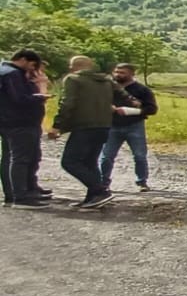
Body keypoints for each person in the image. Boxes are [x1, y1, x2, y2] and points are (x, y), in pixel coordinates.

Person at [48, 55, 116, 208]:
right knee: (90, 162)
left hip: (84, 126)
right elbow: (121, 96)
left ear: (74, 66)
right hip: (103, 126)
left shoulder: (73, 79)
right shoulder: (106, 80)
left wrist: (57, 125)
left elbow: (67, 103)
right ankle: (93, 198)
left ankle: (100, 190)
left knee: (70, 162)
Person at [1, 48, 51, 207]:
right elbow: (20, 99)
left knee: (11, 158)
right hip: (20, 121)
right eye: (32, 65)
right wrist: (40, 94)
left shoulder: (4, 71)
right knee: (20, 159)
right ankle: (20, 196)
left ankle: (16, 193)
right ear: (22, 59)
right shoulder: (13, 74)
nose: (33, 69)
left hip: (7, 121)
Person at [100, 62, 158, 190]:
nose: (118, 75)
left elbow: (152, 109)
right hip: (112, 125)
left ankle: (142, 181)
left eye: (122, 73)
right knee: (106, 156)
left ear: (131, 74)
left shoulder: (142, 90)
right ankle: (103, 182)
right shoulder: (107, 88)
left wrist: (133, 110)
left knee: (139, 155)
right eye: (116, 72)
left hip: (134, 125)